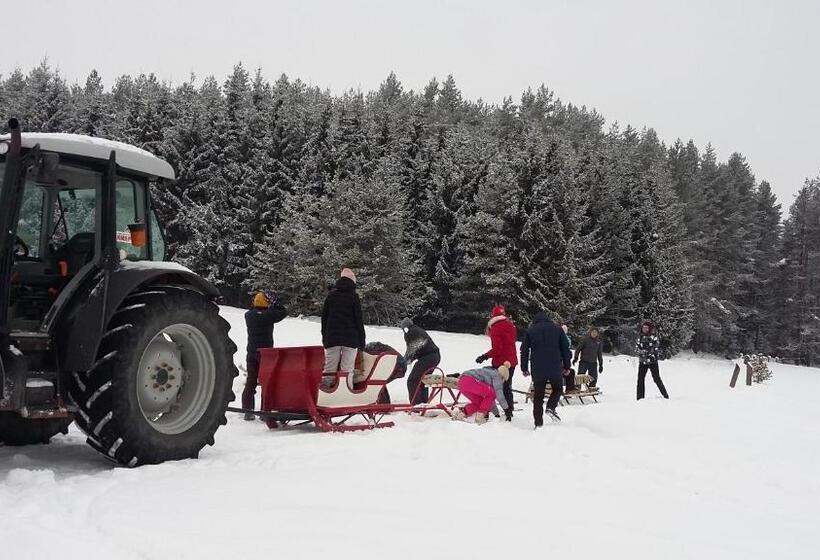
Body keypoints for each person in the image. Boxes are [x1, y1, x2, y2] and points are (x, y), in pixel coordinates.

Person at [520, 312, 572, 428]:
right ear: (548, 319)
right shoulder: (557, 330)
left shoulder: (531, 330)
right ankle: (551, 406)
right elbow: (565, 349)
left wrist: (524, 368)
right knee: (558, 389)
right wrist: (567, 366)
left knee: (538, 396)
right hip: (554, 366)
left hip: (537, 367)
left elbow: (524, 350)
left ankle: (538, 424)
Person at [242, 291, 287, 420]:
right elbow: (283, 312)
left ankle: (247, 410)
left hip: (251, 352)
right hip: (266, 354)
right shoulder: (269, 315)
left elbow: (253, 310)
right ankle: (264, 411)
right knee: (266, 383)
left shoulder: (248, 315)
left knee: (251, 382)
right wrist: (275, 303)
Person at [321, 268, 366, 389]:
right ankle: (346, 393)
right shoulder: (354, 297)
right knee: (347, 369)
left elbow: (324, 319)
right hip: (351, 339)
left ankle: (325, 392)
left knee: (329, 369)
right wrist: (362, 342)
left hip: (332, 338)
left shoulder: (331, 296)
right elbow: (358, 321)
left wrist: (325, 338)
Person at [476, 304, 518, 421]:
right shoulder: (511, 326)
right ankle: (509, 410)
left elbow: (497, 349)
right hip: (512, 362)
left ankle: (488, 411)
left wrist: (484, 356)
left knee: (494, 387)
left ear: (493, 315)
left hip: (500, 363)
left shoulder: (495, 328)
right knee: (507, 387)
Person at [399, 318, 441, 405]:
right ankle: (423, 403)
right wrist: (409, 358)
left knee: (412, 381)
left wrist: (404, 360)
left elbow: (413, 347)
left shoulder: (411, 332)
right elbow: (418, 346)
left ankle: (416, 406)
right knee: (423, 380)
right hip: (435, 356)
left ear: (405, 327)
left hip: (428, 357)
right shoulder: (417, 330)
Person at [636, 321, 669, 400]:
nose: (645, 329)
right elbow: (637, 348)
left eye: (646, 328)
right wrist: (641, 352)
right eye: (643, 328)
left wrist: (649, 353)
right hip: (642, 361)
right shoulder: (639, 337)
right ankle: (639, 398)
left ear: (649, 328)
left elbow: (656, 348)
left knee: (656, 378)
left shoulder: (654, 337)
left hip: (652, 361)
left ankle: (665, 395)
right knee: (640, 379)